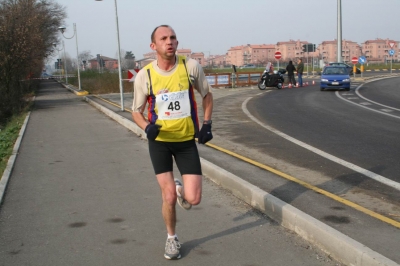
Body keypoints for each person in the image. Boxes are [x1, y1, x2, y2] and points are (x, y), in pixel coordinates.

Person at [131, 25, 214, 260]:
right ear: (153, 46)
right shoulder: (145, 75)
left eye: (173, 37)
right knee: (167, 197)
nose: (170, 41)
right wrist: (146, 127)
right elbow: (136, 112)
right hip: (160, 142)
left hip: (186, 141)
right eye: (164, 38)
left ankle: (180, 188)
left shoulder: (190, 67)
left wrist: (207, 124)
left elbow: (207, 95)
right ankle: (171, 239)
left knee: (194, 199)